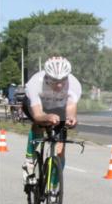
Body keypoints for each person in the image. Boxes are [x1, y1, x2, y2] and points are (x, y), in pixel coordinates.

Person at [22, 57, 82, 188]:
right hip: (36, 107)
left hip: (58, 107)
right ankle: (29, 160)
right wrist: (47, 117)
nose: (59, 85)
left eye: (63, 80)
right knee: (40, 124)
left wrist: (71, 119)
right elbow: (38, 115)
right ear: (47, 77)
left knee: (61, 150)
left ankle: (53, 188)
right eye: (55, 81)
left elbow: (70, 110)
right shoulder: (35, 84)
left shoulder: (74, 84)